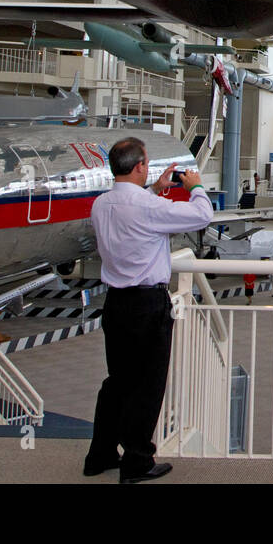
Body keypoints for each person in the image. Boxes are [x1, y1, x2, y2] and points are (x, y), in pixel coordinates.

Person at [83, 138, 214, 484]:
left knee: (117, 382)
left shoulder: (100, 205)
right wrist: (195, 186)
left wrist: (155, 190)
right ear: (140, 166)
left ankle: (100, 454)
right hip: (147, 305)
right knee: (146, 386)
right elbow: (203, 215)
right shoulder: (147, 207)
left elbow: (135, 215)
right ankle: (137, 462)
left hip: (116, 303)